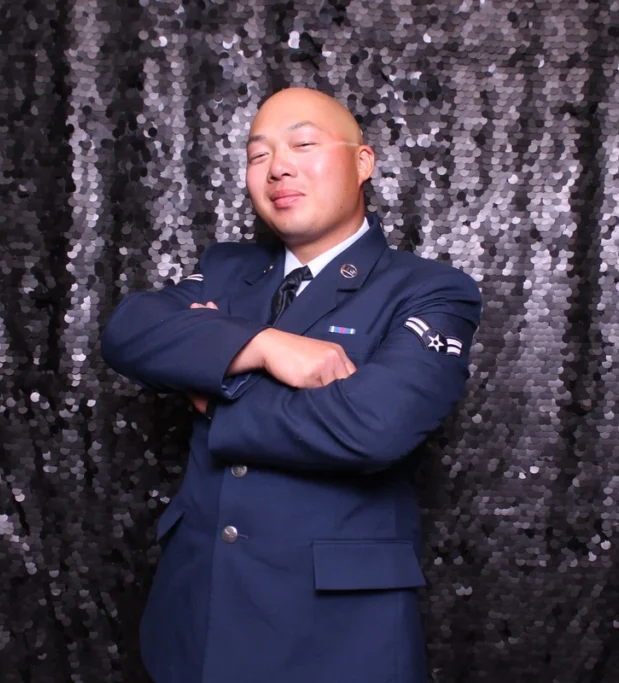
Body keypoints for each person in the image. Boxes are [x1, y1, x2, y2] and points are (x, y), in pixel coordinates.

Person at [100, 87, 482, 683]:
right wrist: (264, 346)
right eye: (258, 156)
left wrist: (217, 395)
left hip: (335, 633)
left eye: (304, 144)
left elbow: (372, 427)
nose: (278, 167)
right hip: (196, 613)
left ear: (363, 162)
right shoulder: (228, 268)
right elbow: (128, 331)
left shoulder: (430, 289)